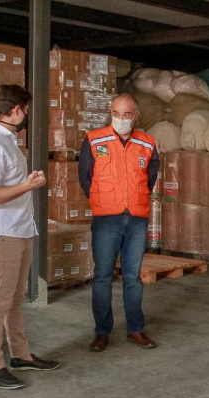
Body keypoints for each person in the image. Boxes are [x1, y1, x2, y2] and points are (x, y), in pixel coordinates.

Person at [0, 84, 60, 390]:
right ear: (15, 111)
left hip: (21, 229)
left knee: (14, 299)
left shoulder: (8, 141)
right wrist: (27, 186)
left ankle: (21, 354)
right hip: (3, 233)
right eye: (26, 110)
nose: (27, 116)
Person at [80, 93, 160, 353]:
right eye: (117, 114)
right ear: (110, 112)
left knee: (133, 277)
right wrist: (105, 199)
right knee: (102, 276)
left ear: (135, 115)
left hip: (136, 218)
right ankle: (101, 332)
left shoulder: (147, 143)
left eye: (127, 115)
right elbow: (85, 177)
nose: (122, 119)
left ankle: (135, 329)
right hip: (106, 218)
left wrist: (133, 198)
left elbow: (150, 178)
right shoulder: (94, 140)